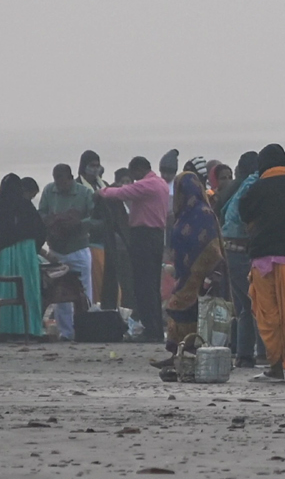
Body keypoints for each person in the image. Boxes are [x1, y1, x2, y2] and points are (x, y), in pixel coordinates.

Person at [237, 144, 285, 382]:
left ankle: (276, 367)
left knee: (270, 315)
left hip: (264, 261)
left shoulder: (257, 188)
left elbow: (244, 212)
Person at [100, 155, 172, 343]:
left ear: (139, 170)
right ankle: (155, 328)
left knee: (143, 285)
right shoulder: (161, 184)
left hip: (144, 236)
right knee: (152, 285)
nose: (133, 178)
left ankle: (151, 330)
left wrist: (102, 191)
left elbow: (122, 193)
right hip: (156, 236)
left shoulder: (148, 184)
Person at [162, 170, 224, 352]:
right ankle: (179, 353)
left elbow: (213, 247)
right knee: (180, 309)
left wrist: (203, 271)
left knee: (181, 308)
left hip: (200, 275)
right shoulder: (184, 214)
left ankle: (187, 350)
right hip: (184, 273)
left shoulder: (203, 213)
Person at [38, 163, 97, 342]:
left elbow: (95, 217)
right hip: (56, 249)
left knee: (84, 292)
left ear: (70, 178)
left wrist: (78, 223)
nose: (59, 186)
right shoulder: (49, 191)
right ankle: (66, 333)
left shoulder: (84, 193)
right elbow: (41, 213)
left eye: (62, 181)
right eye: (56, 181)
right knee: (60, 293)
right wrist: (52, 221)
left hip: (78, 248)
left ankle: (85, 330)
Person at [0, 175, 46, 339]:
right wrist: (33, 247)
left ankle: (6, 329)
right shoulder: (26, 206)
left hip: (4, 255)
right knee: (28, 290)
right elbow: (40, 231)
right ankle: (29, 329)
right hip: (27, 253)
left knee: (7, 290)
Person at [215, 151, 262, 365]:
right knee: (256, 303)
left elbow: (224, 212)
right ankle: (262, 353)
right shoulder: (254, 183)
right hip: (242, 248)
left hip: (228, 247)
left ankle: (244, 354)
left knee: (244, 306)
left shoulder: (236, 186)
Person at [78, 151, 131, 316]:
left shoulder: (104, 186)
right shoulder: (78, 188)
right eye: (91, 165)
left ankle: (109, 314)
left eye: (97, 165)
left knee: (111, 285)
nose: (95, 169)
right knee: (95, 286)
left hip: (108, 242)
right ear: (83, 167)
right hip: (90, 243)